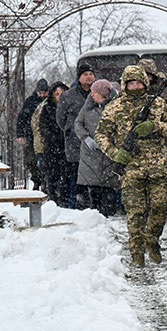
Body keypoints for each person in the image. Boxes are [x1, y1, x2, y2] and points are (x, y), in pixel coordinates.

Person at [96, 65, 167, 267]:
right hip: (132, 169)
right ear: (125, 84)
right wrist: (115, 153)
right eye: (131, 83)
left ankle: (152, 239)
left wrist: (154, 126)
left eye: (139, 82)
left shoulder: (157, 104)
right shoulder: (115, 107)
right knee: (135, 213)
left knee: (160, 206)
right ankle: (137, 254)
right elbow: (101, 134)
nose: (135, 86)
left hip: (158, 166)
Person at [74, 79, 122, 216]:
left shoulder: (116, 108)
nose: (92, 95)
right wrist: (85, 137)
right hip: (90, 154)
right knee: (93, 190)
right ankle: (96, 217)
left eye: (95, 93)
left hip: (108, 153)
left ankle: (108, 215)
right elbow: (78, 123)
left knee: (109, 189)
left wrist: (109, 143)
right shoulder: (87, 107)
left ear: (103, 94)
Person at [57, 62, 96, 209]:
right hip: (75, 142)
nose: (89, 77)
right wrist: (70, 131)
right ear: (79, 77)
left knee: (93, 175)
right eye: (85, 74)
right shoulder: (68, 96)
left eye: (91, 74)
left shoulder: (98, 93)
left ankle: (94, 205)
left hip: (94, 141)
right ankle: (76, 205)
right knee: (76, 175)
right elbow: (60, 119)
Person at [38, 82, 69, 204]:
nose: (60, 96)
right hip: (52, 146)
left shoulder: (69, 108)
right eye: (57, 94)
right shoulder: (47, 109)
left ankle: (65, 199)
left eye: (62, 94)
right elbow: (43, 126)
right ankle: (53, 199)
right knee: (52, 175)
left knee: (66, 175)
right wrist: (51, 137)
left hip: (66, 146)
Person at [16, 78, 48, 190]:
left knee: (45, 160)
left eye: (44, 92)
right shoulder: (30, 101)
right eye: (40, 92)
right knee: (31, 161)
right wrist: (20, 134)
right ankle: (36, 180)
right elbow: (22, 118)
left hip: (45, 136)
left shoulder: (48, 101)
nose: (42, 95)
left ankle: (44, 181)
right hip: (30, 136)